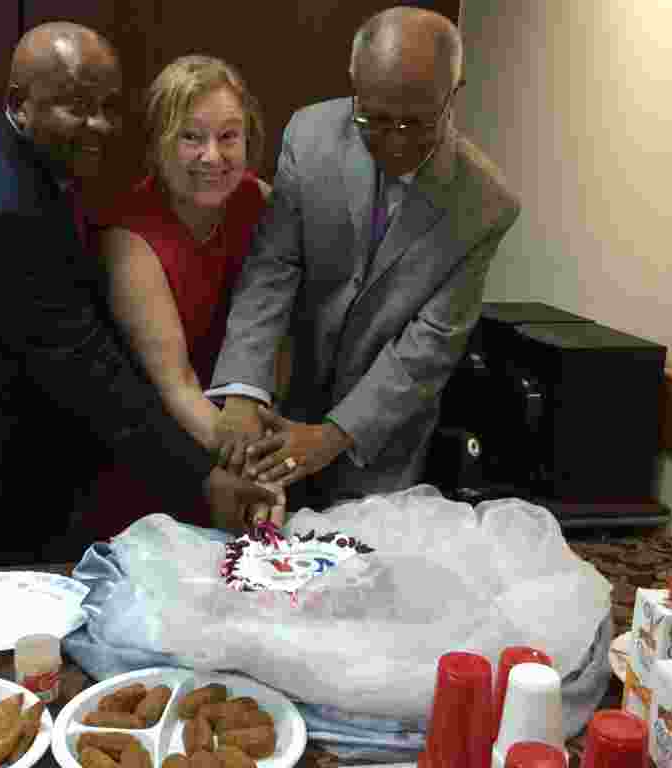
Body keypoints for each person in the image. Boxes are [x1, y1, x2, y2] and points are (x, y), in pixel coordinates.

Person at [0, 23, 277, 572]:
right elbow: (91, 371)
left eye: (108, 107)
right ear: (19, 103)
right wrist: (207, 478)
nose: (99, 125)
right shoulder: (3, 208)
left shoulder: (38, 162)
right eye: (76, 107)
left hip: (31, 466)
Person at [206, 7, 521, 512]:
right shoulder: (309, 137)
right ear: (354, 80)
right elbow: (273, 267)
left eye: (415, 122)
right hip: (277, 412)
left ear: (452, 94)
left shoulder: (485, 204)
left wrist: (332, 436)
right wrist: (244, 391)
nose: (394, 141)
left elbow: (431, 344)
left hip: (376, 451)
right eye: (373, 119)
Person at [87, 55, 285, 539]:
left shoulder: (260, 202)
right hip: (162, 453)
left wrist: (262, 450)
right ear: (158, 145)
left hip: (245, 436)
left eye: (228, 136)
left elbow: (280, 331)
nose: (212, 156)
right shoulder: (128, 236)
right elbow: (176, 384)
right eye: (191, 136)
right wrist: (249, 467)